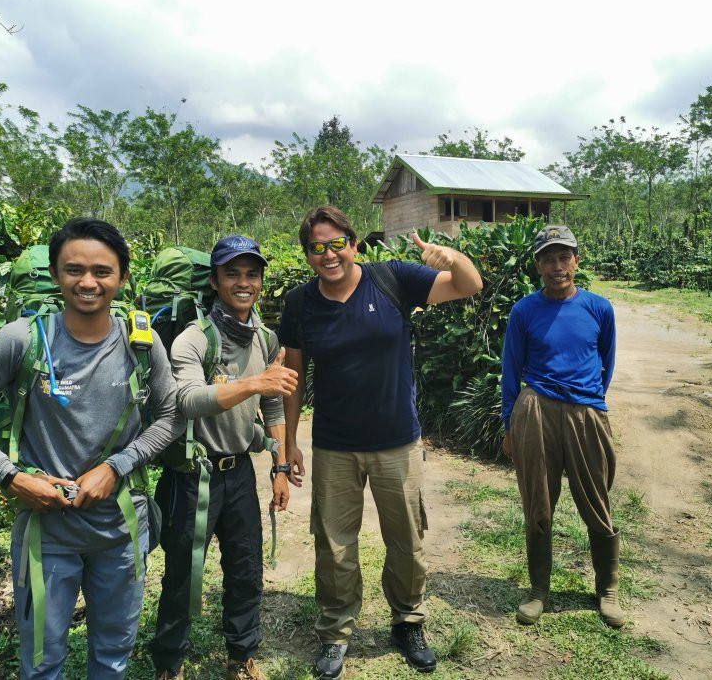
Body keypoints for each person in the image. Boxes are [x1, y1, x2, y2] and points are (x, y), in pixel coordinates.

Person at [0, 217, 183, 678]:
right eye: (74, 270)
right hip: (47, 534)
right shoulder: (24, 340)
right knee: (41, 660)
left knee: (113, 654)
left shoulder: (142, 344)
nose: (88, 282)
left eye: (102, 271)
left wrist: (117, 465)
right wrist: (11, 476)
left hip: (121, 530)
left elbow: (170, 416)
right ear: (55, 274)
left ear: (123, 277)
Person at [278, 205, 483, 678]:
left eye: (336, 244)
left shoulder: (392, 278)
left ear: (353, 243)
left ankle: (407, 621)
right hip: (334, 444)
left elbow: (470, 285)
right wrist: (289, 443)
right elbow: (292, 372)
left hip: (397, 442)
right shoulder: (299, 302)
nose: (329, 255)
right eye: (316, 248)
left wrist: (451, 256)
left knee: (407, 541)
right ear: (308, 254)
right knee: (334, 546)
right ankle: (335, 631)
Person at [151, 235, 298, 680]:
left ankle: (241, 656)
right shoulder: (195, 339)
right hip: (190, 476)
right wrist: (256, 383)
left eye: (251, 274)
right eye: (232, 273)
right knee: (181, 575)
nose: (242, 282)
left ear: (260, 282)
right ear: (215, 281)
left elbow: (274, 406)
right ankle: (170, 664)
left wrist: (279, 466)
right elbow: (188, 400)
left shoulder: (266, 337)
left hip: (239, 475)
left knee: (246, 570)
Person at [500, 224, 624, 628]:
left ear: (576, 260)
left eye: (564, 257)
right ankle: (538, 592)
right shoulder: (524, 311)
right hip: (536, 411)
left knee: (596, 501)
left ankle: (607, 591)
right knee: (539, 501)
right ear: (538, 265)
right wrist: (509, 426)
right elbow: (510, 370)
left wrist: (590, 405)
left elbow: (605, 361)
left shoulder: (598, 308)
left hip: (586, 412)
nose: (558, 266)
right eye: (549, 258)